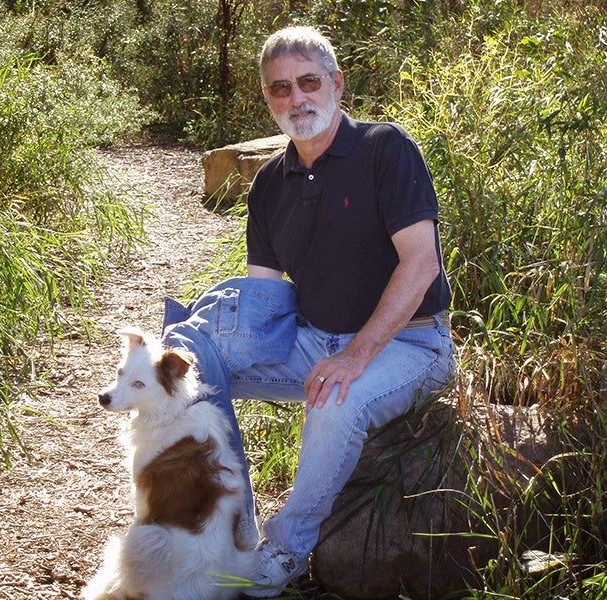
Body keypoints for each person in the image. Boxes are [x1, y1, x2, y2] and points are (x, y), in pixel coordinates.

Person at [161, 25, 454, 597]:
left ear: (336, 85)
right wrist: (197, 343)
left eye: (308, 82)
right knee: (188, 376)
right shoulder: (270, 183)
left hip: (411, 344)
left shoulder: (385, 149)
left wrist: (354, 356)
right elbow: (264, 298)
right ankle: (230, 528)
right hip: (314, 341)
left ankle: (287, 551)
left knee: (335, 401)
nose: (296, 99)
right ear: (268, 100)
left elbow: (420, 266)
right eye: (279, 89)